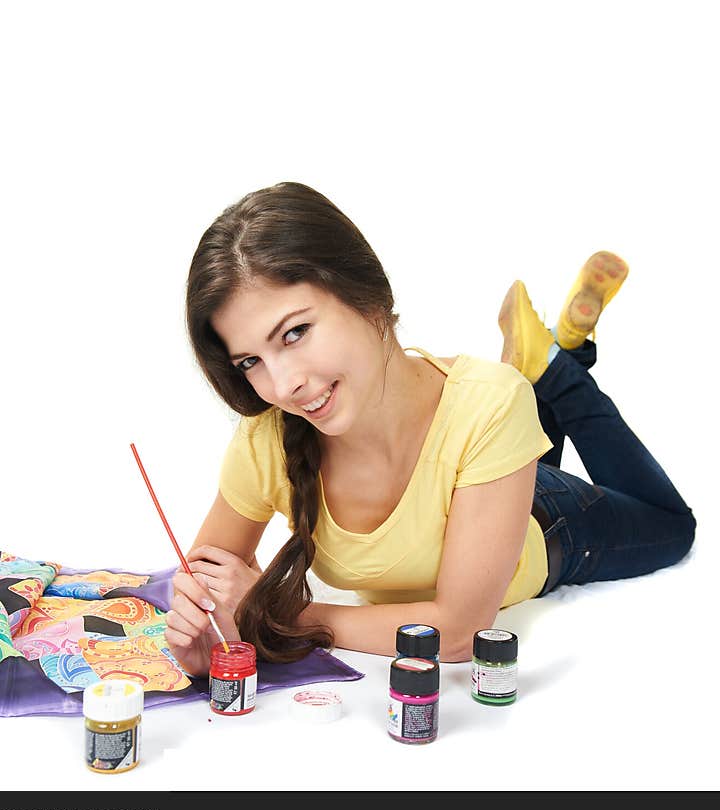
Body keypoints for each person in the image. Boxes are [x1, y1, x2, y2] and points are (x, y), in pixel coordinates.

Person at [164, 181, 696, 675]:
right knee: (503, 412)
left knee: (673, 527)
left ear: (366, 295)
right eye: (249, 362)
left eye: (295, 332)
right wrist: (202, 640)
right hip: (489, 456)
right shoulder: (267, 441)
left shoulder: (487, 405)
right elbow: (210, 593)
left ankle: (558, 369)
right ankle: (548, 362)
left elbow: (460, 631)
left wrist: (279, 614)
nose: (282, 387)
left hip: (550, 520)